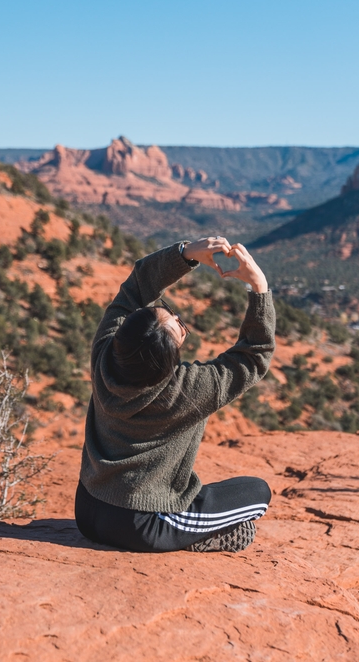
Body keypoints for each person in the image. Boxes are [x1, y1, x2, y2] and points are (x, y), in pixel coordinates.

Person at [75, 236, 275, 553]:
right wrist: (259, 288)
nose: (178, 319)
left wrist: (184, 254)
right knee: (257, 494)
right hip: (143, 523)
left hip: (87, 507)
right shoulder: (185, 390)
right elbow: (253, 357)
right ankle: (197, 536)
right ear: (169, 359)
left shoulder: (104, 355)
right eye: (176, 324)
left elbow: (133, 289)